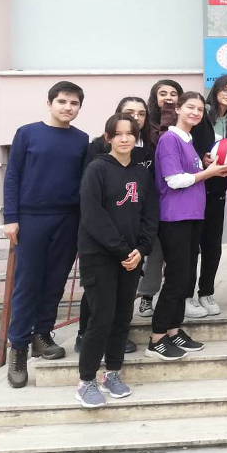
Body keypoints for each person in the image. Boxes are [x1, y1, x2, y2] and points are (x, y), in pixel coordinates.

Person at [4, 81, 89, 388]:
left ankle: (43, 335)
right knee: (27, 283)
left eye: (74, 103)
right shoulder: (27, 133)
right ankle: (19, 348)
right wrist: (10, 218)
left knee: (55, 282)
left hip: (67, 218)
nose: (68, 107)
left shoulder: (81, 140)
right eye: (63, 101)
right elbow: (12, 176)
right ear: (49, 103)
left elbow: (84, 184)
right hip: (31, 218)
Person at [75, 113, 158, 407]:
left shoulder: (141, 172)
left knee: (123, 316)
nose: (124, 139)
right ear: (108, 138)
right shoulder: (96, 169)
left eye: (129, 134)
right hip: (100, 256)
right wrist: (123, 251)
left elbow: (149, 215)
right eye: (118, 134)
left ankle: (112, 373)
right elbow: (93, 216)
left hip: (132, 258)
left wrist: (141, 250)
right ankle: (86, 381)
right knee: (102, 316)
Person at [147, 92, 227, 361]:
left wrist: (207, 165)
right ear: (178, 110)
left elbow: (191, 173)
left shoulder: (188, 141)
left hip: (193, 215)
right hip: (175, 217)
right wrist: (209, 173)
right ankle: (157, 337)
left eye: (199, 109)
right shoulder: (169, 139)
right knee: (176, 278)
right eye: (190, 108)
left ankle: (174, 330)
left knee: (185, 277)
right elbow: (174, 180)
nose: (196, 112)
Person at [190, 75, 227, 317]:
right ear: (216, 90)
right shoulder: (202, 114)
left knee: (212, 242)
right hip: (195, 185)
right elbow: (189, 144)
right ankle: (187, 294)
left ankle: (206, 292)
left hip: (219, 187)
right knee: (191, 243)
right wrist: (202, 157)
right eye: (225, 89)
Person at [137, 80, 182, 319]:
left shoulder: (187, 125)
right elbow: (161, 150)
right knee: (154, 251)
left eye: (174, 94)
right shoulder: (149, 126)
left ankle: (179, 296)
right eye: (162, 93)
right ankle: (146, 296)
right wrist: (167, 116)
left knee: (178, 253)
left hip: (180, 198)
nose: (168, 98)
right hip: (152, 197)